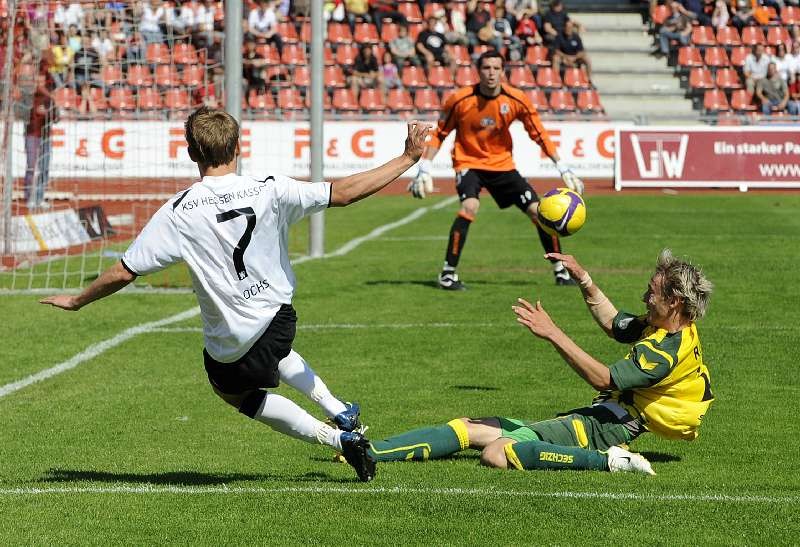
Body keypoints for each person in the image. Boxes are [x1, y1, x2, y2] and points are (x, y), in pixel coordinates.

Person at [40, 107, 430, 482]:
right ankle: (339, 410)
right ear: (238, 147)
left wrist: (77, 300)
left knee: (231, 390)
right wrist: (407, 158)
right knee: (273, 352)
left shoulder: (179, 211)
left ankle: (338, 438)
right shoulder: (270, 189)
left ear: (192, 152)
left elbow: (124, 271)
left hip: (232, 337)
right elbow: (342, 192)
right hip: (279, 317)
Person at [367, 250, 715, 476]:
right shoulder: (670, 327)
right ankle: (367, 452)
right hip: (607, 415)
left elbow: (604, 379)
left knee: (497, 453)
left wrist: (553, 333)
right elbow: (616, 325)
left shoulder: (664, 349)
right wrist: (586, 280)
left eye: (651, 292)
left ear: (674, 301)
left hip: (608, 428)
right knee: (468, 426)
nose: (645, 297)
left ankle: (612, 460)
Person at [408, 50, 585, 290]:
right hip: (468, 163)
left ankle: (560, 272)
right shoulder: (459, 100)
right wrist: (425, 167)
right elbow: (440, 133)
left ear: (503, 71)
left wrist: (561, 166)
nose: (491, 73)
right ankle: (447, 274)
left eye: (496, 68)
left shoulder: (516, 99)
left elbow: (539, 133)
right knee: (470, 206)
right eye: (486, 68)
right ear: (478, 71)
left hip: (502, 165)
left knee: (538, 211)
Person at [25, 73, 55, 211]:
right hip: (32, 134)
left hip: (46, 136)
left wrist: (48, 112)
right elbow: (21, 113)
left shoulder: (49, 98)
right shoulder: (29, 96)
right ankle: (29, 197)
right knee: (31, 166)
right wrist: (34, 111)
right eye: (38, 80)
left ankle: (39, 197)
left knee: (44, 168)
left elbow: (57, 117)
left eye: (42, 81)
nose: (40, 83)